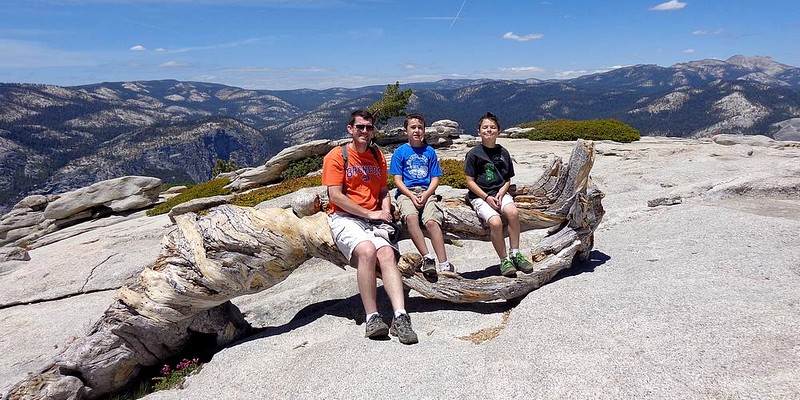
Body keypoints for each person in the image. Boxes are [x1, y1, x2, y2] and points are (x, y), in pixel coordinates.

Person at [322, 109, 419, 345]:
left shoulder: (377, 156)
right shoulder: (336, 156)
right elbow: (334, 195)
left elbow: (383, 189)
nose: (364, 131)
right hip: (345, 217)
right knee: (366, 251)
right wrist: (368, 212)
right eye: (360, 127)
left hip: (373, 217)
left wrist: (385, 208)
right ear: (350, 129)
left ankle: (400, 316)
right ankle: (372, 317)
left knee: (386, 254)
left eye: (368, 127)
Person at [463, 112, 534, 277]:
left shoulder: (503, 152)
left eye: (492, 127)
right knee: (495, 222)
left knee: (513, 213)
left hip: (500, 192)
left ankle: (515, 252)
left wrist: (502, 192)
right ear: (478, 131)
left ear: (498, 131)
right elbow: (470, 181)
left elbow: (507, 178)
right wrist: (487, 198)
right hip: (480, 196)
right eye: (485, 127)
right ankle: (504, 260)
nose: (489, 130)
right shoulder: (473, 154)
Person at [389, 113, 456, 275]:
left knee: (432, 221)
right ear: (406, 130)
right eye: (413, 127)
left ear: (424, 131)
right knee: (411, 218)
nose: (417, 131)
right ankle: (427, 257)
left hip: (427, 192)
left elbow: (435, 178)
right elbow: (397, 180)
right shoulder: (400, 152)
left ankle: (444, 263)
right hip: (406, 193)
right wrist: (411, 196)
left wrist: (426, 195)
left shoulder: (430, 152)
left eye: (420, 127)